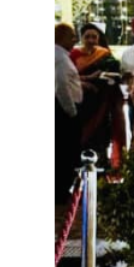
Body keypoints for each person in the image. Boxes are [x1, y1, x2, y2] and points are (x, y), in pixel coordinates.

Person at [72, 23, 126, 166]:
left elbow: (115, 73)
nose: (91, 40)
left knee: (100, 139)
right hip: (79, 105)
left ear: (98, 38)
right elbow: (67, 78)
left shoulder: (104, 55)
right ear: (81, 38)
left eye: (94, 37)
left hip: (101, 105)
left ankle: (101, 171)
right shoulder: (73, 55)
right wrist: (88, 79)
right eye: (87, 36)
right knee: (78, 139)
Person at [55, 23, 84, 200]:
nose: (75, 40)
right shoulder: (59, 57)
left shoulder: (61, 56)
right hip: (64, 111)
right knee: (66, 151)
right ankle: (61, 191)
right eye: (71, 36)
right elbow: (62, 86)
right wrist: (71, 112)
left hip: (64, 108)